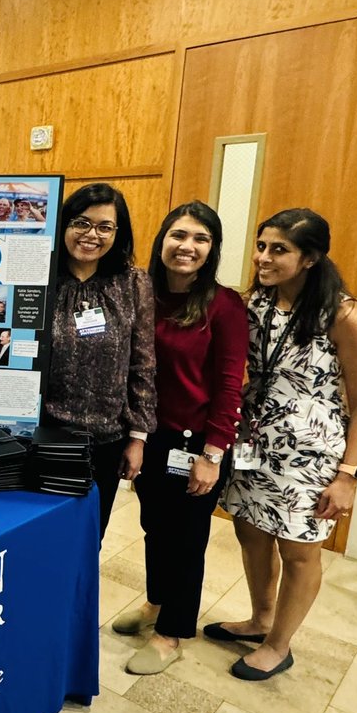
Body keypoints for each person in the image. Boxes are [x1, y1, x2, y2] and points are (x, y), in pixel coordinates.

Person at [213, 208, 357, 680]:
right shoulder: (254, 302)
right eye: (261, 246)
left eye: (279, 250)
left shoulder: (344, 314)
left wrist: (349, 475)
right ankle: (261, 619)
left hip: (311, 455)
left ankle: (279, 644)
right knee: (250, 532)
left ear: (310, 258)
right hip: (252, 442)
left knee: (298, 550)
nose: (263, 257)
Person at [110, 202, 249, 674]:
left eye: (200, 239)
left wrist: (214, 453)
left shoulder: (224, 305)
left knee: (187, 538)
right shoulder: (142, 292)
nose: (187, 246)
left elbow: (231, 384)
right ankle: (155, 605)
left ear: (212, 249)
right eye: (178, 235)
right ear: (162, 239)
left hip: (197, 443)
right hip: (148, 435)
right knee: (154, 527)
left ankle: (172, 633)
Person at [44, 182, 156, 540]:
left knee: (88, 538)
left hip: (105, 441)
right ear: (63, 226)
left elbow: (143, 364)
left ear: (117, 233)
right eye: (81, 223)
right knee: (40, 538)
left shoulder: (132, 283)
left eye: (105, 226)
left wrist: (137, 437)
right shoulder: (41, 280)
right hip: (41, 434)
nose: (92, 235)